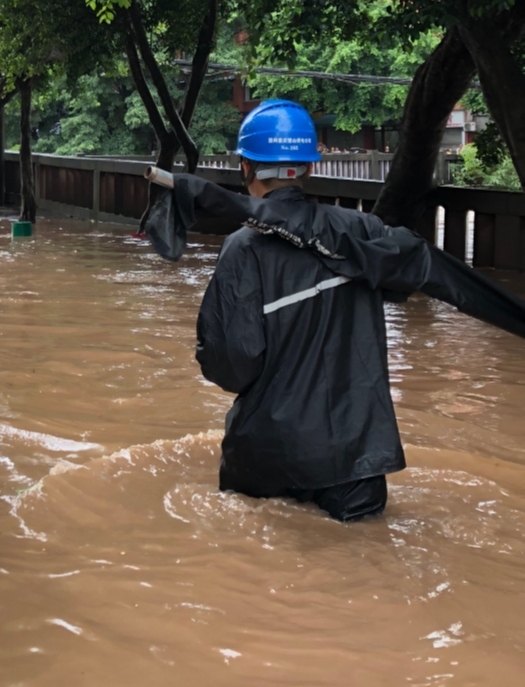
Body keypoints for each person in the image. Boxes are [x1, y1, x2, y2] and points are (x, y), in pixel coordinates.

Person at [145, 99, 525, 524]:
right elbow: (407, 289)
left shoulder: (243, 248)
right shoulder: (365, 234)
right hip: (357, 458)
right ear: (308, 167)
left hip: (266, 455)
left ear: (246, 167)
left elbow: (231, 364)